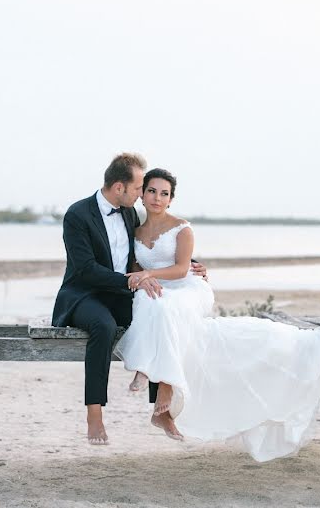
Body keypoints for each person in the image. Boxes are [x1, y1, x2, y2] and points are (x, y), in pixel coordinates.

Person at [115, 168, 320, 461]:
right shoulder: (135, 231)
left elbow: (180, 269)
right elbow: (135, 266)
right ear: (142, 194)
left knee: (164, 305)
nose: (157, 198)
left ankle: (163, 386)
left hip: (187, 287)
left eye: (164, 193)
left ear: (171, 200)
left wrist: (148, 273)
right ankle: (153, 377)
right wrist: (141, 275)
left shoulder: (182, 228)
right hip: (159, 289)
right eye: (152, 191)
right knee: (149, 301)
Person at [52, 153, 207, 445]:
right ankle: (94, 414)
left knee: (162, 311)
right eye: (139, 188)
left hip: (122, 292)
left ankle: (159, 402)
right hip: (84, 294)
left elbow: (147, 249)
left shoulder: (128, 213)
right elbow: (85, 270)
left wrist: (191, 265)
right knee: (103, 327)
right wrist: (132, 280)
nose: (142, 195)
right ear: (120, 188)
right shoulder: (77, 215)